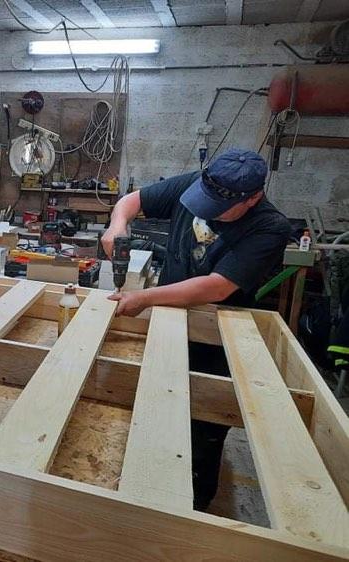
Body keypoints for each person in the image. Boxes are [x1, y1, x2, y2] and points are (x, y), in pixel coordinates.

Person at [101, 148, 292, 510]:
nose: (206, 210)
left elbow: (217, 287)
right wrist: (117, 226)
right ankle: (143, 490)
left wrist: (145, 298)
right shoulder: (194, 185)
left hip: (216, 340)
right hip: (169, 323)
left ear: (253, 198)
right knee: (156, 409)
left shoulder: (270, 227)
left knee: (202, 431)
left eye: (220, 207)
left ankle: (192, 509)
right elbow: (131, 201)